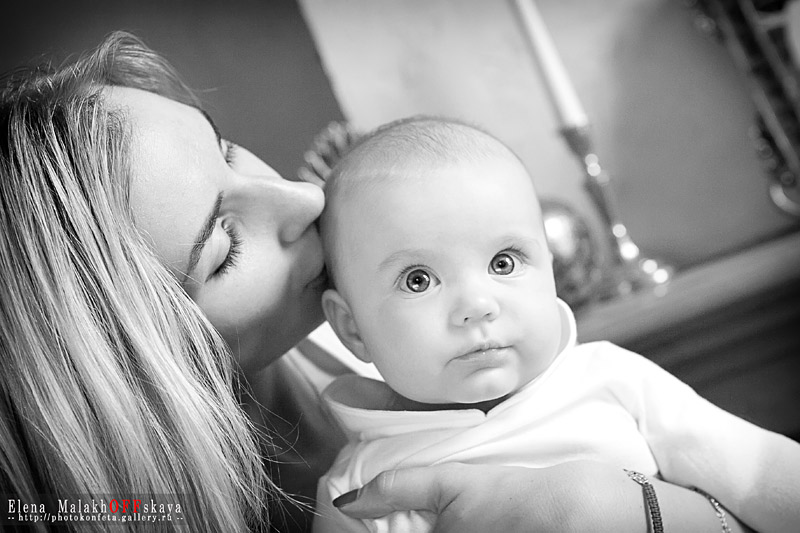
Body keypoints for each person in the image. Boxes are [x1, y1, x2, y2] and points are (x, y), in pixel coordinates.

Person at [0, 32, 766, 533]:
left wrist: (642, 510)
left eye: (226, 150)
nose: (304, 198)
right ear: (128, 373)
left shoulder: (384, 334)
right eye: (225, 246)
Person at [314, 117, 800, 533]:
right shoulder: (355, 490)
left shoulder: (612, 379)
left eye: (504, 263)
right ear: (352, 328)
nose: (478, 305)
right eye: (418, 280)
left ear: (550, 270)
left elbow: (759, 475)